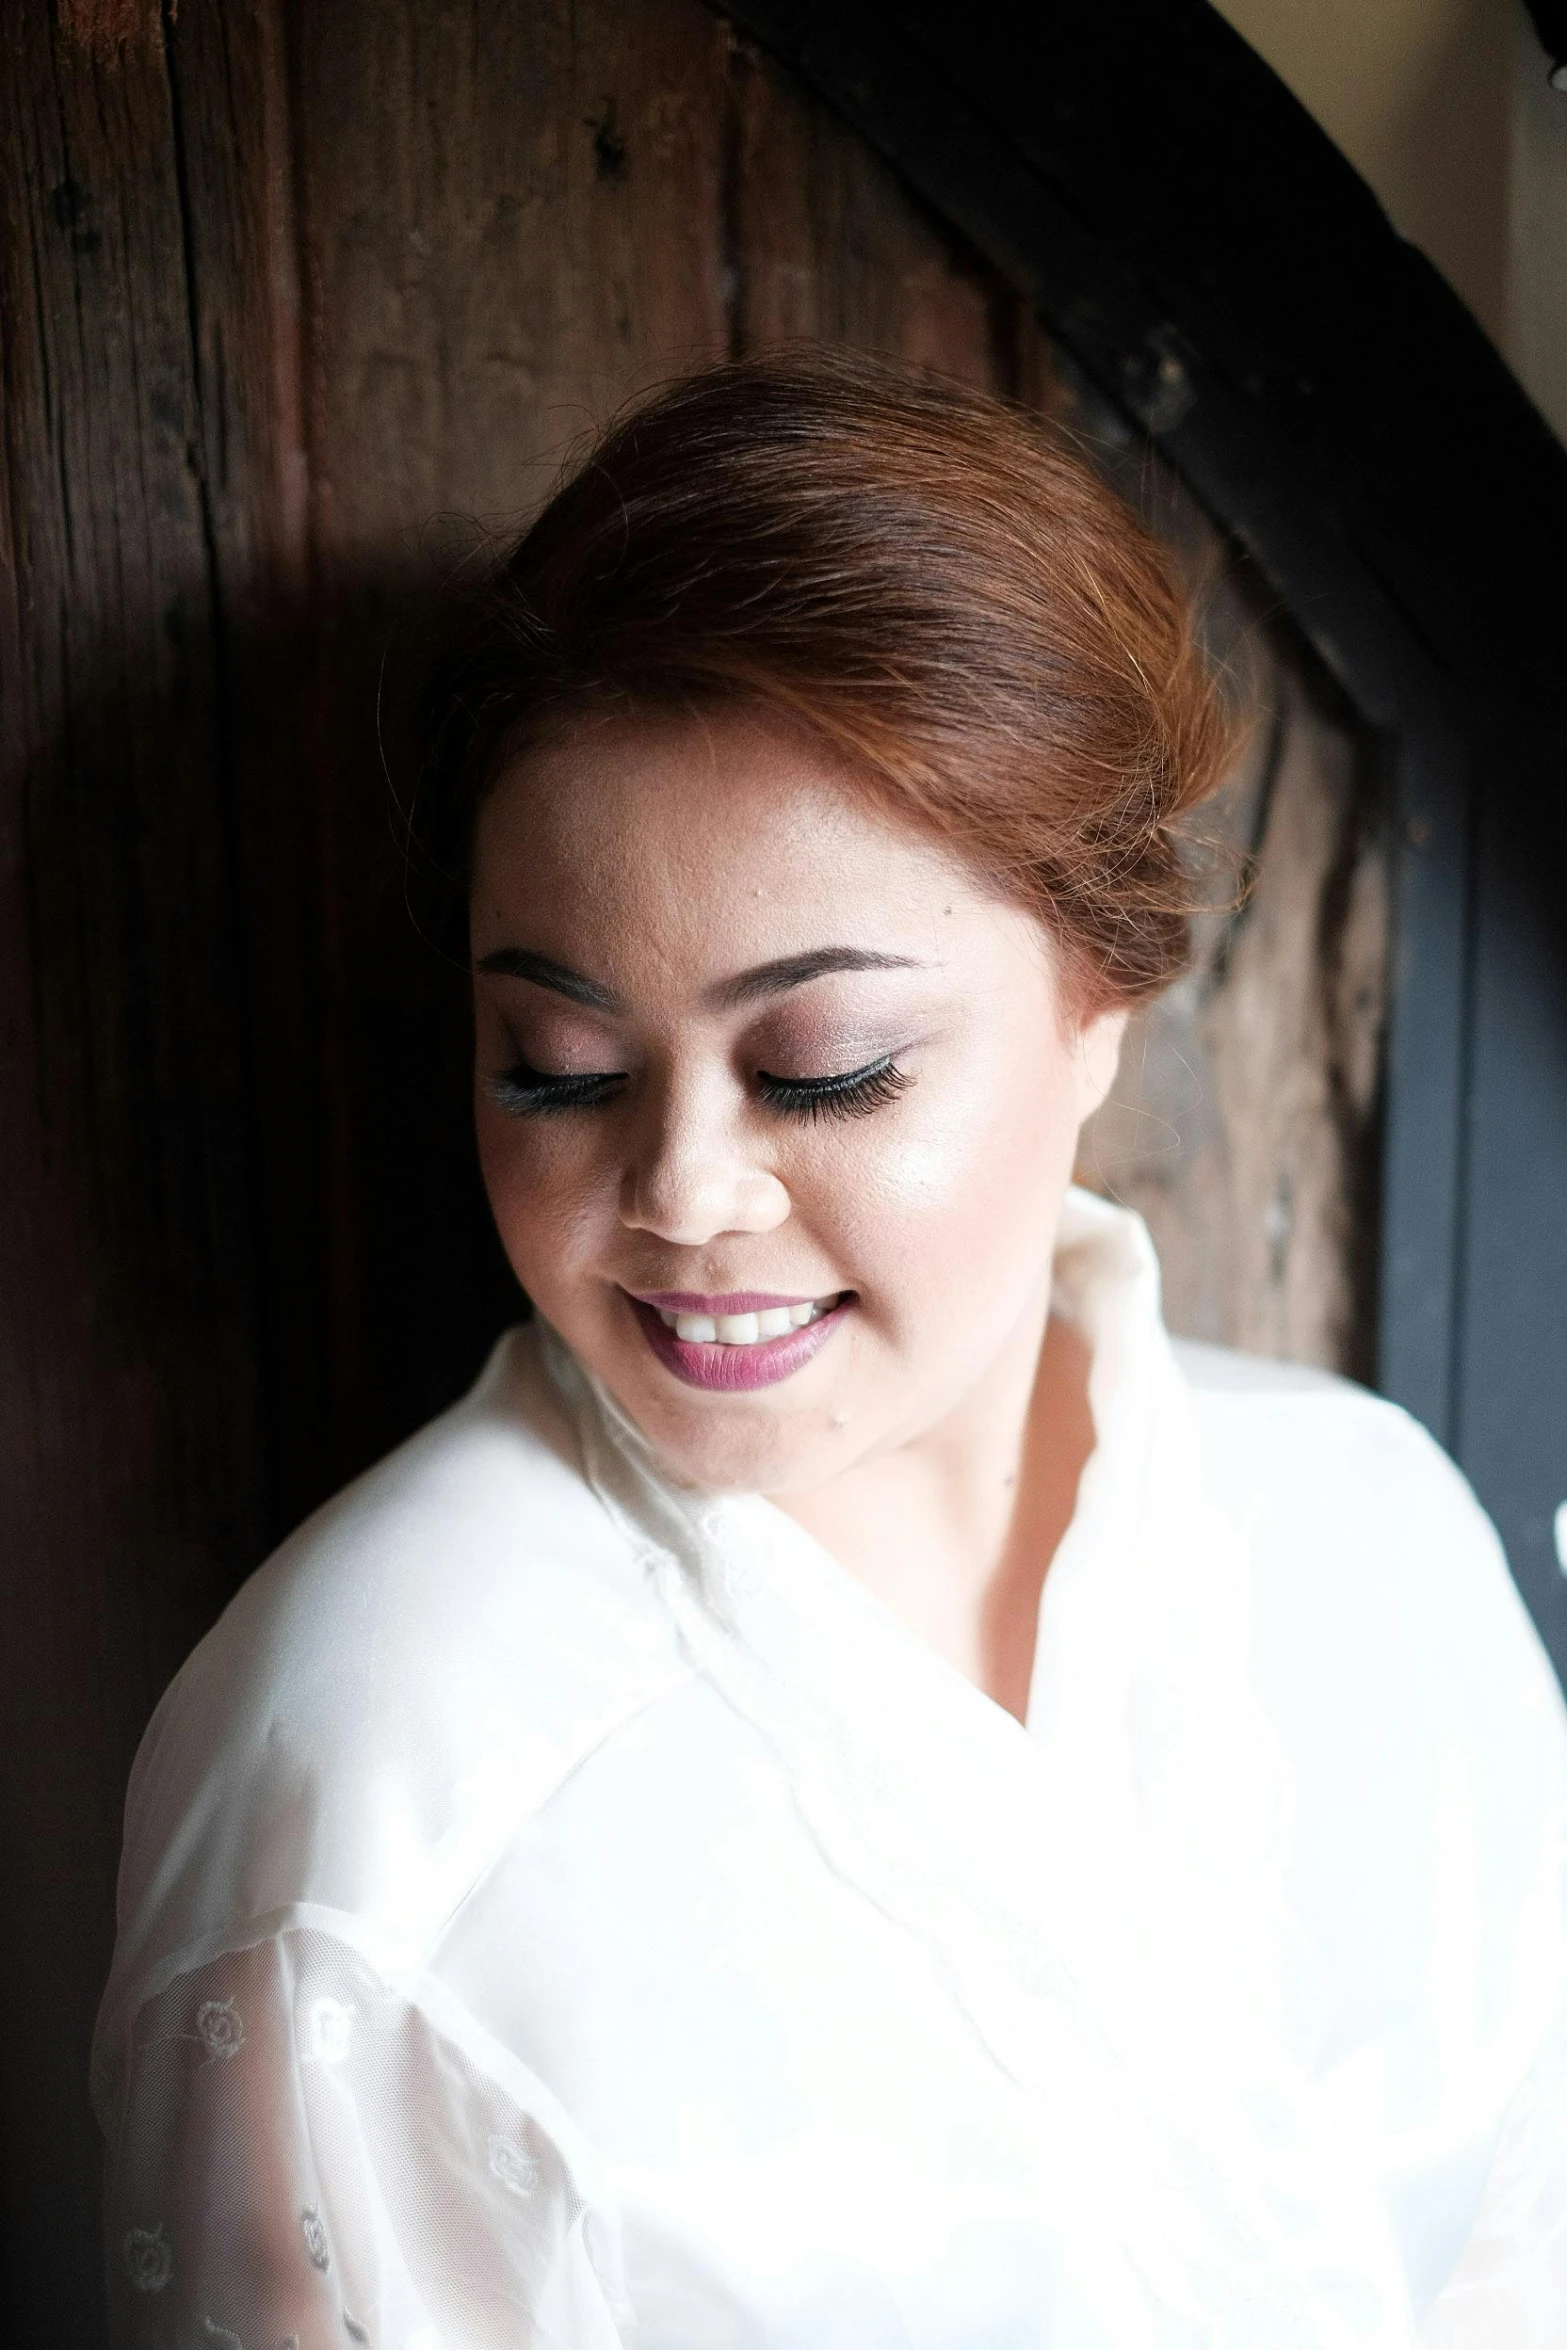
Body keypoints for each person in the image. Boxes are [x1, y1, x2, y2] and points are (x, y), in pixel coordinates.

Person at [93, 355, 1567, 2348]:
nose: (686, 1186)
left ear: (1101, 995)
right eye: (561, 1069)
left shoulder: (1366, 1522)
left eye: (827, 1067)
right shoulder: (365, 1794)